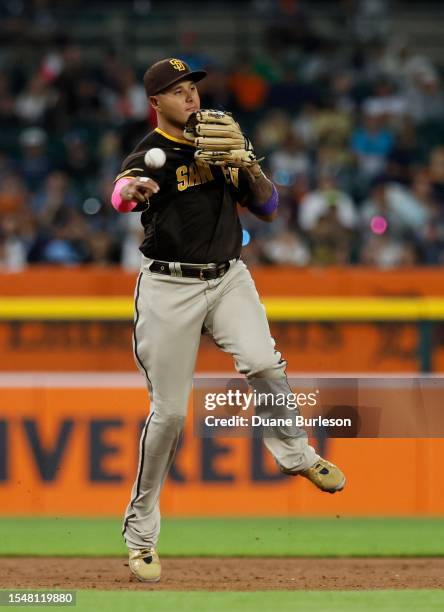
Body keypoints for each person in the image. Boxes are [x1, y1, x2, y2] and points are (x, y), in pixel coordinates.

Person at [110, 58, 346, 583]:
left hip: (228, 277)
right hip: (169, 286)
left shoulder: (221, 145)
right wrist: (133, 192)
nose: (191, 97)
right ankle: (141, 536)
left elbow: (269, 208)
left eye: (193, 87)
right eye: (178, 91)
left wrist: (248, 164)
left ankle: (297, 455)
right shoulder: (151, 154)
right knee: (169, 416)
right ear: (157, 103)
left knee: (263, 360)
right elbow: (121, 192)